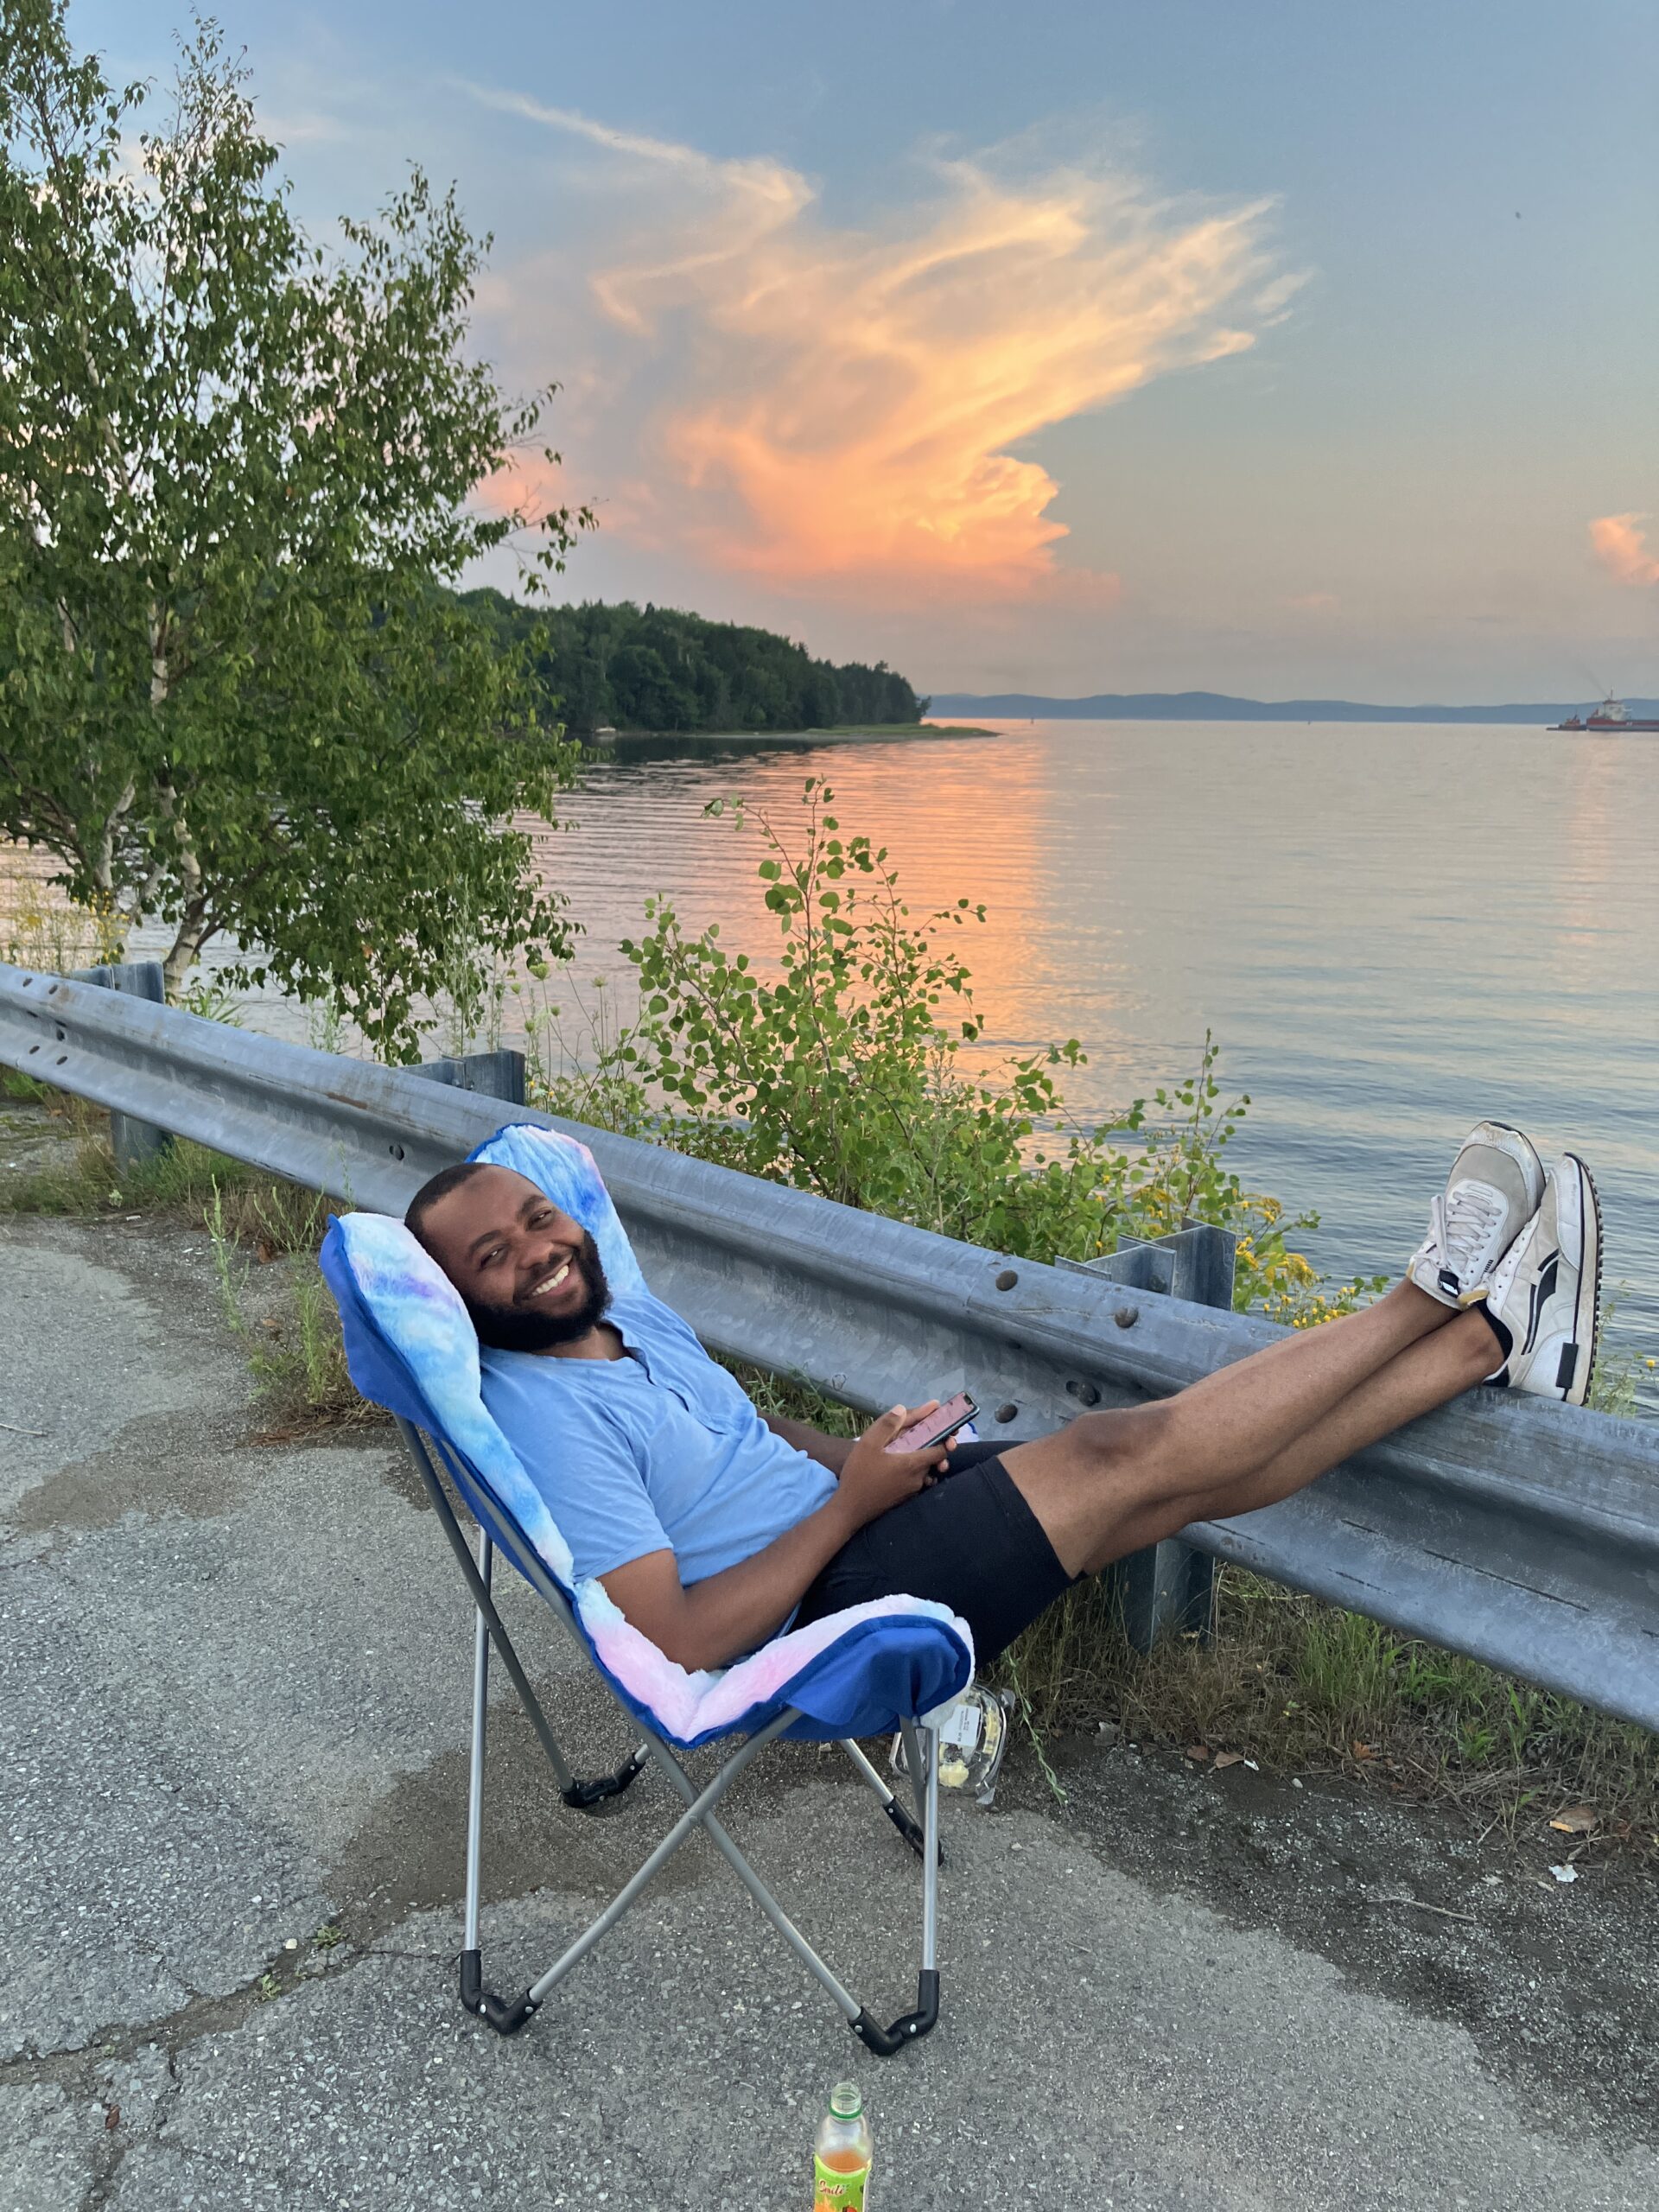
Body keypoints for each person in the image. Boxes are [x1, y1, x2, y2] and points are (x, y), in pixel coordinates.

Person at [404, 1124, 1600, 1676]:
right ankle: (1428, 1298)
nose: (537, 1251)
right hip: (815, 1609)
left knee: (1191, 1483)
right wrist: (846, 1508)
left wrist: (855, 1456)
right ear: (465, 1299)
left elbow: (738, 1437)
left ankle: (1483, 1343)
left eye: (537, 1218)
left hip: (849, 1521)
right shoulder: (542, 1414)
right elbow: (673, 1643)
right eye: (493, 1258)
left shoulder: (624, 1315)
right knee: (1121, 1448)